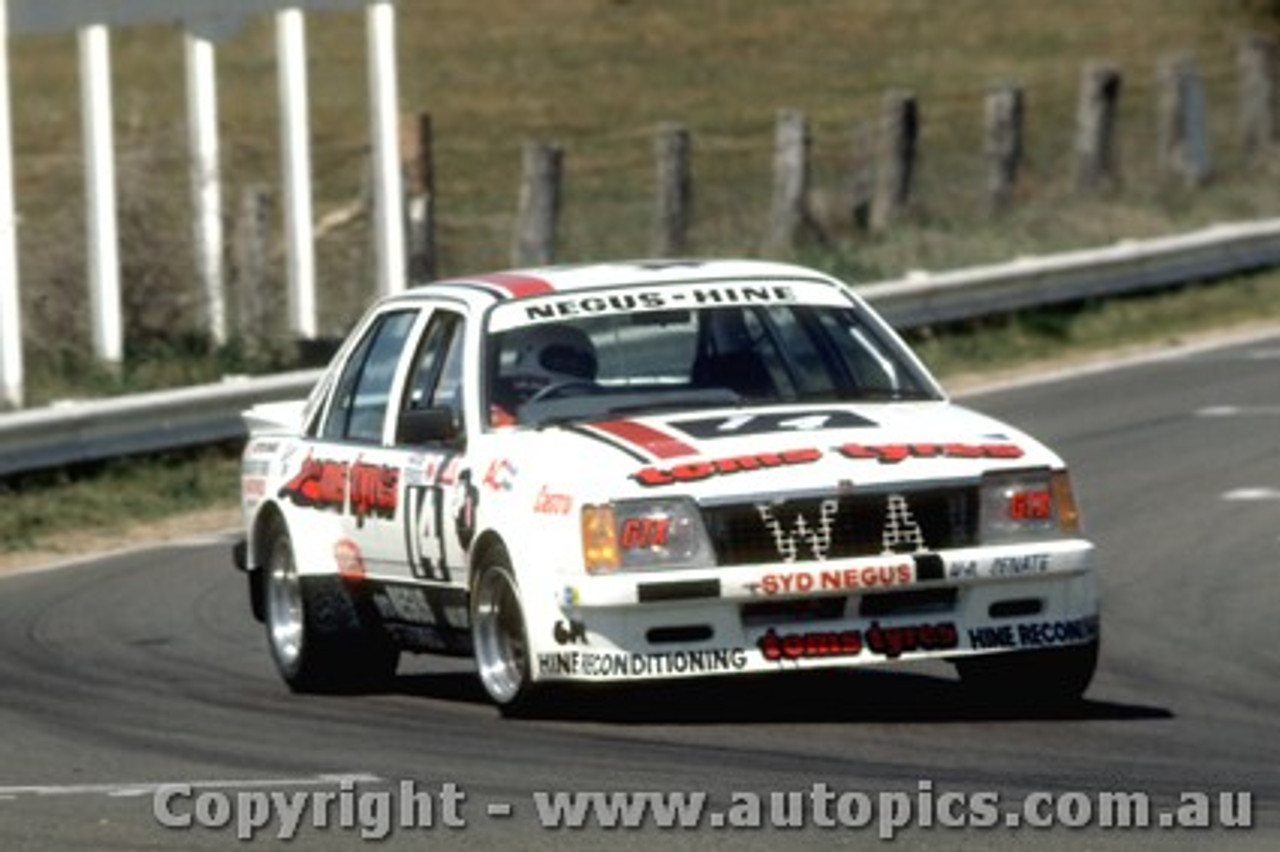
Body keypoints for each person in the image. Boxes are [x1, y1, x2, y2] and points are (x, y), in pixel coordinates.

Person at [489, 324, 598, 426]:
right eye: (558, 360)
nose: (573, 365)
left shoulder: (608, 406)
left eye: (579, 362)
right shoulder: (497, 418)